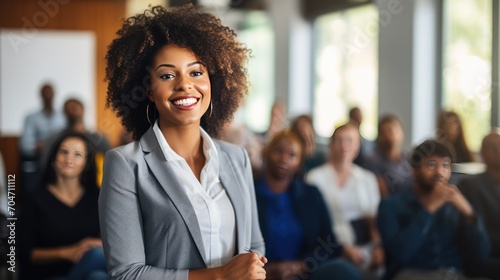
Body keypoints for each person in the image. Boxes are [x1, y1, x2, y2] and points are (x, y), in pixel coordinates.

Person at [99, 5, 267, 280]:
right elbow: (126, 274)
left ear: (213, 82)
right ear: (149, 91)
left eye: (196, 72)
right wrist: (220, 276)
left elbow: (254, 245)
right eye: (167, 75)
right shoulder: (126, 165)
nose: (184, 84)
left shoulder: (238, 158)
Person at [377, 139, 490, 280]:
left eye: (445, 165)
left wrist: (468, 213)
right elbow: (400, 254)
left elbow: (482, 254)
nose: (439, 172)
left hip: (454, 274)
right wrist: (429, 208)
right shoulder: (391, 205)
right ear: (415, 170)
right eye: (431, 165)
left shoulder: (454, 205)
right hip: (411, 273)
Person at [255, 130, 361, 280]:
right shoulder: (250, 193)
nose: (283, 159)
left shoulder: (311, 194)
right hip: (259, 272)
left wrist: (301, 266)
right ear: (266, 153)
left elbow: (328, 241)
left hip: (303, 272)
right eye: (278, 151)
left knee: (344, 272)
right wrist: (262, 269)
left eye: (292, 155)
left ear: (299, 163)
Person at [18, 132, 107, 280]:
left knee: (98, 276)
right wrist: (67, 252)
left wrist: (98, 243)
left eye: (77, 154)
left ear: (86, 163)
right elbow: (25, 253)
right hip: (48, 275)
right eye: (64, 152)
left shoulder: (97, 197)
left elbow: (111, 239)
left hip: (86, 269)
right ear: (53, 158)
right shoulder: (33, 197)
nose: (69, 159)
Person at [306, 124, 383, 279]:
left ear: (358, 146)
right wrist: (343, 249)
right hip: (326, 249)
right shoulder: (314, 178)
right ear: (331, 144)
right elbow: (311, 225)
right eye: (339, 140)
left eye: (350, 141)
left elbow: (374, 221)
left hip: (364, 248)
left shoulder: (367, 179)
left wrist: (378, 248)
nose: (344, 146)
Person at [458, 131, 500, 279]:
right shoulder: (470, 186)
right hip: (487, 256)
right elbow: (479, 232)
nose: (498, 151)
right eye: (492, 147)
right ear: (482, 154)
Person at [19, 83, 66, 191]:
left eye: (50, 93)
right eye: (45, 93)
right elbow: (25, 146)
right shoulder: (31, 117)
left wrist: (44, 145)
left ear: (54, 94)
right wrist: (51, 146)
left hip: (58, 163)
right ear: (41, 95)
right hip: (36, 163)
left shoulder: (63, 117)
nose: (48, 96)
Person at [365, 114, 413, 196]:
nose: (392, 134)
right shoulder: (372, 162)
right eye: (387, 131)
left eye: (396, 130)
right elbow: (382, 193)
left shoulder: (408, 159)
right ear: (380, 136)